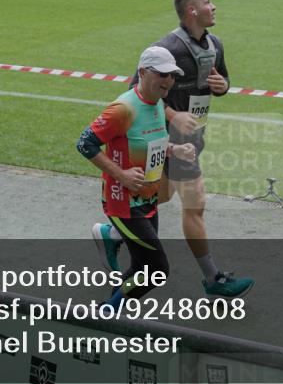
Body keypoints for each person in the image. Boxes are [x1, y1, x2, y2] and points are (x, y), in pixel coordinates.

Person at [92, 0, 254, 299]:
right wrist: (174, 115)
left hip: (191, 140)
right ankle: (213, 279)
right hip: (162, 140)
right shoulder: (167, 49)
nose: (214, 6)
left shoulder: (214, 44)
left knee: (161, 197)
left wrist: (223, 86)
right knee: (195, 204)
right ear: (191, 11)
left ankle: (111, 234)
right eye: (207, 2)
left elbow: (221, 82)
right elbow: (135, 91)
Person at [77, 46, 195, 308]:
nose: (169, 81)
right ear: (142, 72)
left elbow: (152, 143)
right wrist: (122, 175)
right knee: (157, 269)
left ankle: (110, 308)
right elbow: (85, 144)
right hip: (123, 204)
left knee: (143, 267)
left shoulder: (157, 103)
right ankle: (108, 311)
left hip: (147, 200)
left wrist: (175, 150)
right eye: (162, 74)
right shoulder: (123, 109)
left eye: (173, 75)